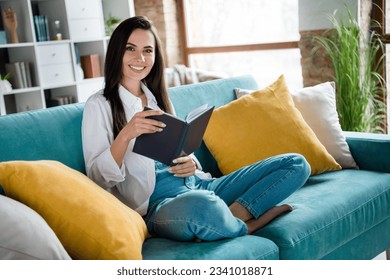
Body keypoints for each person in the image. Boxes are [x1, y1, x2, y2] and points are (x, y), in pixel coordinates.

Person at [82, 16, 311, 242]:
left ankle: (231, 218)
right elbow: (97, 178)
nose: (140, 58)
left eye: (148, 50)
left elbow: (179, 148)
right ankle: (244, 225)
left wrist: (191, 163)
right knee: (202, 204)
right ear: (116, 52)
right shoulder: (99, 105)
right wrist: (127, 133)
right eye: (130, 48)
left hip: (201, 184)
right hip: (160, 206)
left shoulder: (158, 98)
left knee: (297, 164)